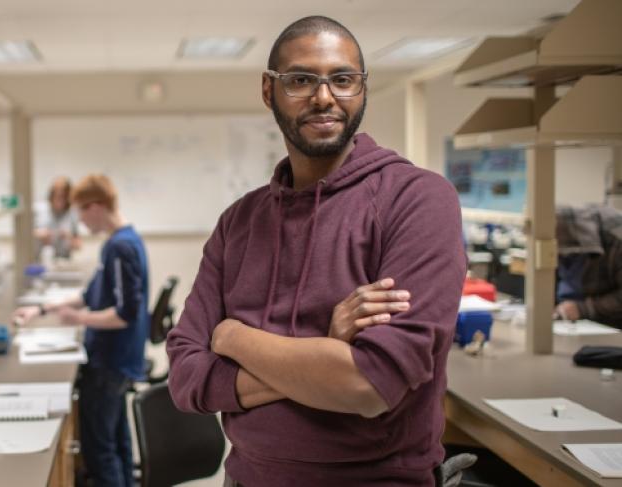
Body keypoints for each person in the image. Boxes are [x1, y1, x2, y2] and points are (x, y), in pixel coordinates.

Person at [166, 16, 467, 487]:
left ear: (362, 89)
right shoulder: (239, 222)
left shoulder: (417, 200)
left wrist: (232, 337)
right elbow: (186, 378)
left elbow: (368, 385)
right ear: (269, 90)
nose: (324, 97)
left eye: (342, 79)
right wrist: (326, 348)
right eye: (301, 80)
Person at [13, 174, 149, 487]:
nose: (81, 222)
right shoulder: (124, 240)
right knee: (116, 442)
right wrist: (43, 309)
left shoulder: (120, 247)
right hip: (116, 360)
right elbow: (91, 294)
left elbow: (125, 314)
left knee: (100, 451)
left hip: (110, 360)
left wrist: (78, 319)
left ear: (96, 207)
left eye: (82, 213)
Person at [554, 204, 622, 328]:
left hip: (610, 324)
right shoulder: (561, 228)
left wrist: (583, 309)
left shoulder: (615, 239)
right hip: (569, 320)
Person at [35, 176, 82, 260]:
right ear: (51, 195)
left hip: (64, 261)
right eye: (57, 196)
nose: (60, 200)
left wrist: (68, 237)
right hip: (41, 260)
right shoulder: (39, 209)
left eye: (63, 197)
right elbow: (24, 234)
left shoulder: (72, 213)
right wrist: (40, 234)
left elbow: (78, 245)